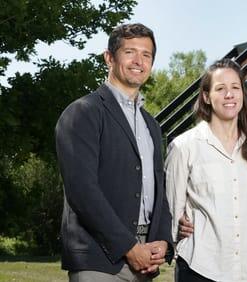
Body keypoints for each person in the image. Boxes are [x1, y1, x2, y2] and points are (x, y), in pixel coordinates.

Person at [55, 23, 173, 281]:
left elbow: (160, 190)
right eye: (130, 52)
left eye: (146, 55)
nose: (138, 61)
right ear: (109, 57)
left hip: (146, 258)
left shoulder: (151, 124)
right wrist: (128, 247)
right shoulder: (83, 113)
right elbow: (82, 191)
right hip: (99, 259)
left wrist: (163, 240)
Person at [165, 58, 247, 282]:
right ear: (206, 97)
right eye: (220, 89)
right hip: (200, 269)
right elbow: (171, 211)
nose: (229, 95)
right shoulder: (184, 147)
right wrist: (175, 234)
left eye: (235, 87)